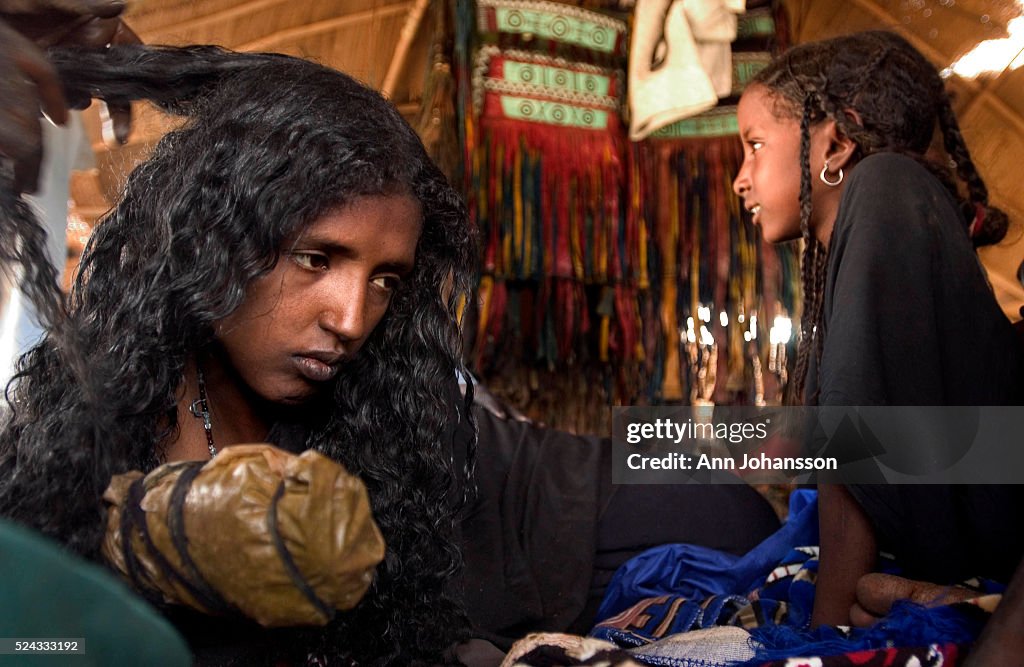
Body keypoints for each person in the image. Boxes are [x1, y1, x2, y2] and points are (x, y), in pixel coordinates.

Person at [0, 43, 782, 665]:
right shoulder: (100, 422)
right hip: (520, 553)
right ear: (216, 243)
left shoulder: (395, 395)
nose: (351, 317)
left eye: (386, 279)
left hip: (544, 488)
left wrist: (850, 442)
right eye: (316, 258)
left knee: (772, 467)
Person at [731, 29, 1024, 634]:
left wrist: (824, 633)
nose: (742, 177)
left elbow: (859, 432)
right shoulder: (857, 243)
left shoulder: (886, 185)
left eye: (755, 145)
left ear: (834, 144)